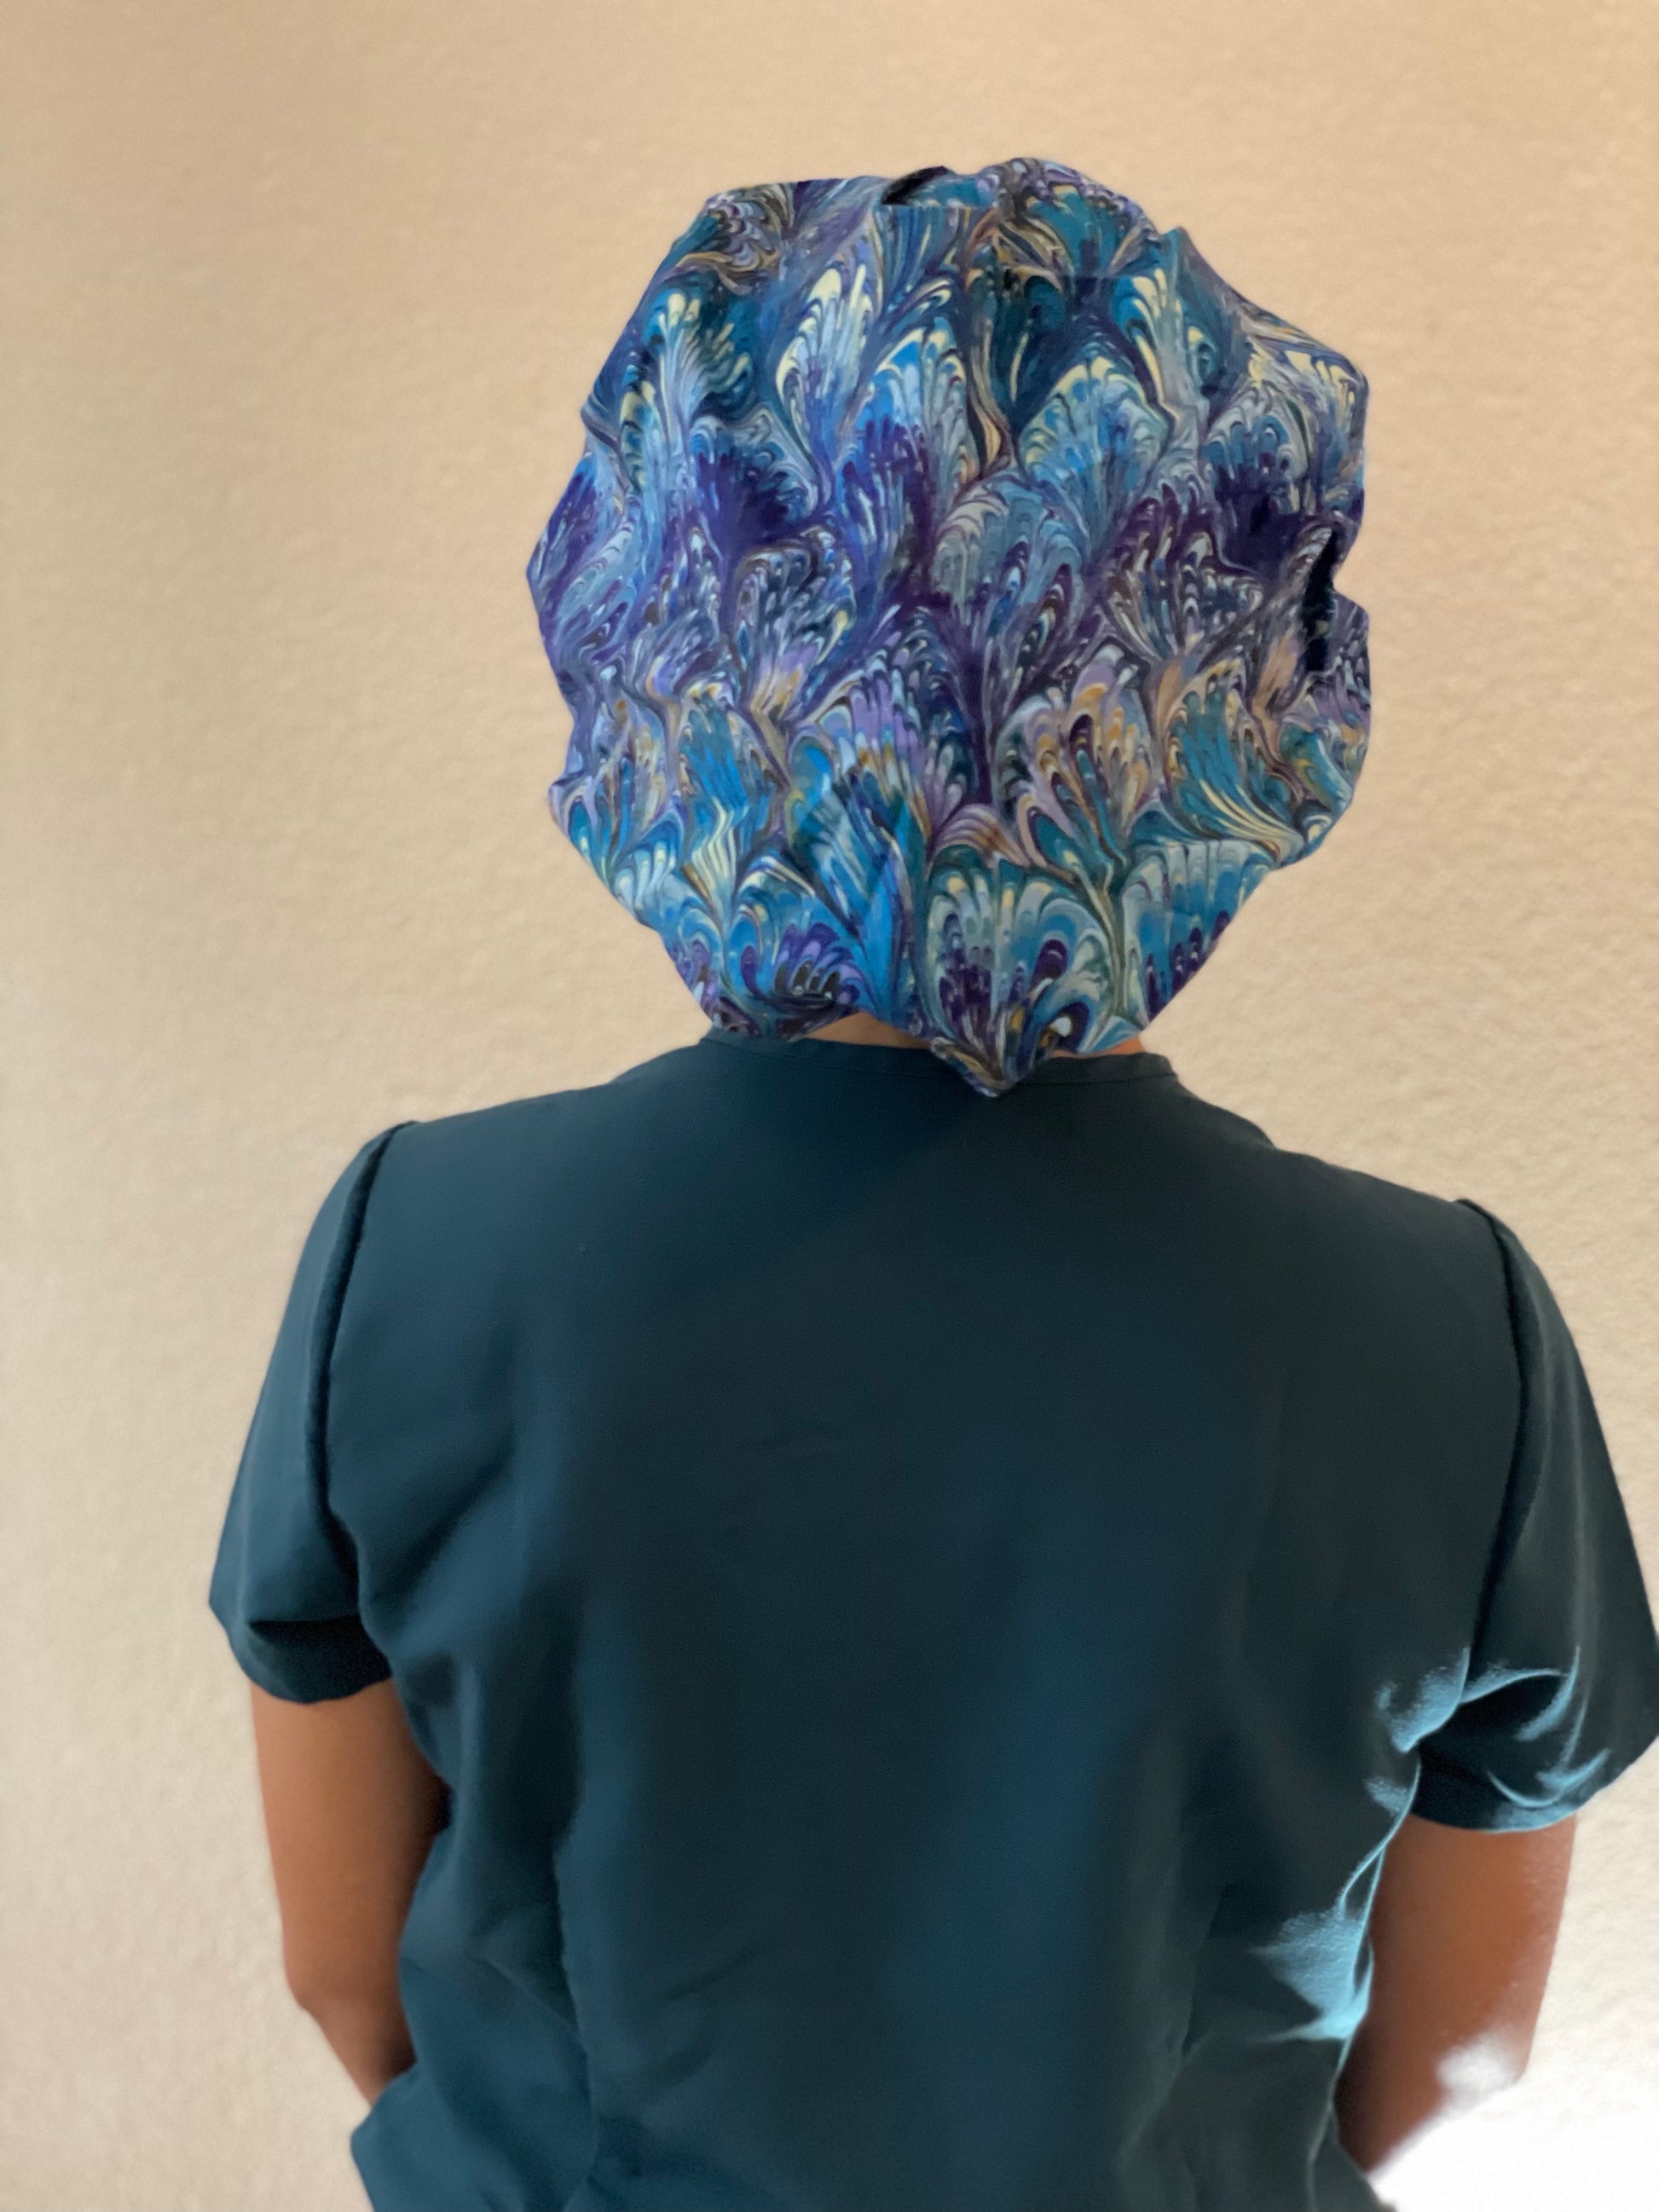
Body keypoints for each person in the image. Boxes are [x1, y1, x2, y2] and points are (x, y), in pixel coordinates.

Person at [210, 161, 1659, 2212]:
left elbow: (349, 1973)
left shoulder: (412, 1253)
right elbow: (1458, 2046)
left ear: (665, 619)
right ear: (1240, 678)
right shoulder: (1455, 1332)